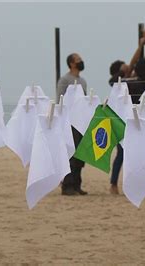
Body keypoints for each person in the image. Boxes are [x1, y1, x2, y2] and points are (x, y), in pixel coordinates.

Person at [108, 28, 145, 197]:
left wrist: (141, 46)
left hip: (131, 123)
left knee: (123, 152)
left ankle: (114, 185)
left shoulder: (127, 83)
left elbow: (129, 70)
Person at [57, 53, 88, 196]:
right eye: (78, 60)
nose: (81, 61)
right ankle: (67, 185)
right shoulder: (64, 80)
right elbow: (60, 100)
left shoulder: (83, 81)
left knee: (80, 156)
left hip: (81, 122)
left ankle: (77, 184)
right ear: (71, 63)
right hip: (69, 122)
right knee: (70, 155)